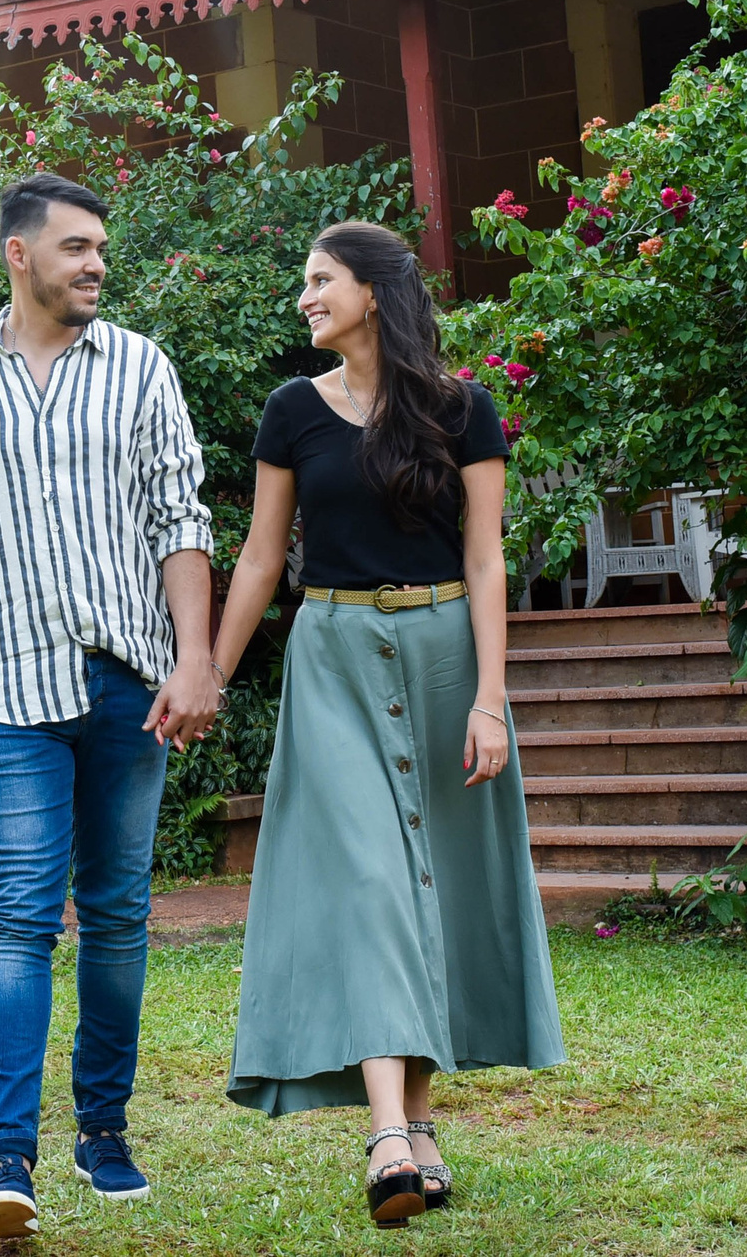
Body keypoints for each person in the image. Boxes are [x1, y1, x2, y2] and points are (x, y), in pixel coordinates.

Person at [210, 220, 564, 1228]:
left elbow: (486, 559)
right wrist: (210, 675)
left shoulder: (464, 410)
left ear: (373, 291)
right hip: (330, 658)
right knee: (369, 881)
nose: (305, 298)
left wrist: (491, 696)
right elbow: (261, 557)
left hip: (446, 652)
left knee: (430, 886)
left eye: (321, 279)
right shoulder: (291, 410)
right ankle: (387, 1136)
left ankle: (419, 1123)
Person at [0, 171, 223, 1241]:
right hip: (5, 690)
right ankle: (7, 1158)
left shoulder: (140, 366)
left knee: (118, 915)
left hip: (130, 682)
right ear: (18, 254)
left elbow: (180, 517)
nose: (94, 264)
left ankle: (103, 1128)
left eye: (100, 250)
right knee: (18, 919)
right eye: (75, 246)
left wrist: (194, 658)